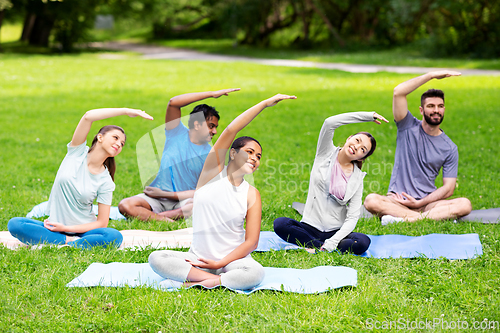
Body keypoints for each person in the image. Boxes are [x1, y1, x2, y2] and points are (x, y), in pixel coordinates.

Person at [149, 94, 296, 289]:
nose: (254, 158)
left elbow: (251, 242)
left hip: (232, 262)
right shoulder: (211, 175)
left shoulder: (252, 194)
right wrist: (264, 104)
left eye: (258, 156)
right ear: (233, 153)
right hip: (197, 259)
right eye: (249, 152)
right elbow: (231, 129)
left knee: (256, 273)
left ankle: (197, 281)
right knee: (157, 258)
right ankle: (211, 280)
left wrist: (220, 263)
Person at [8, 108, 153, 249]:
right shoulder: (76, 152)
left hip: (84, 230)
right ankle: (69, 241)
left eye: (122, 144)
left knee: (113, 236)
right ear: (100, 137)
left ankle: (65, 242)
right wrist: (126, 111)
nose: (118, 144)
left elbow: (102, 223)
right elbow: (88, 116)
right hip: (53, 226)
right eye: (115, 138)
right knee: (15, 224)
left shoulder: (105, 181)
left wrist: (67, 228)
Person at [363, 71, 472, 224]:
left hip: (427, 204)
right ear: (421, 110)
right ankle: (429, 218)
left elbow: (449, 188)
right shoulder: (406, 126)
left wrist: (419, 204)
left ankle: (406, 219)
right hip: (398, 200)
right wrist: (430, 76)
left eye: (440, 106)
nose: (436, 110)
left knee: (464, 204)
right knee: (371, 200)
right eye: (431, 106)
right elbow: (398, 92)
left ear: (444, 110)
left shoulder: (450, 148)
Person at [273, 111, 388, 254]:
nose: (357, 147)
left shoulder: (357, 178)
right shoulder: (325, 152)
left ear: (362, 157)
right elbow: (329, 123)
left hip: (335, 232)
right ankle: (321, 246)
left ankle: (318, 246)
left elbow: (352, 217)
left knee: (362, 242)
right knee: (280, 224)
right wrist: (368, 116)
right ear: (349, 138)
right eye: (357, 141)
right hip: (309, 226)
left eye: (363, 149)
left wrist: (333, 240)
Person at [118, 89, 239, 222]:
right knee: (125, 205)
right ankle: (165, 218)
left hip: (184, 202)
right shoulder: (176, 133)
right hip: (156, 199)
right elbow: (173, 103)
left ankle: (156, 217)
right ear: (197, 124)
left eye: (215, 127)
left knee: (201, 204)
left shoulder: (211, 155)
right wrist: (211, 94)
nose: (215, 131)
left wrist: (166, 194)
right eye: (211, 126)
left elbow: (204, 191)